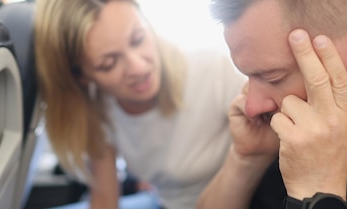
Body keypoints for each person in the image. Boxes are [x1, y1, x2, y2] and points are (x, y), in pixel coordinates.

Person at [197, 0, 347, 209]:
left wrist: (316, 192)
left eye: (274, 77)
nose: (252, 106)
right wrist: (246, 160)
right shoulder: (287, 129)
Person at [34, 0, 246, 208]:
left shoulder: (214, 71)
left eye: (138, 39)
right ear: (81, 76)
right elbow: (105, 199)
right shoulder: (99, 107)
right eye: (109, 64)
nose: (138, 67)